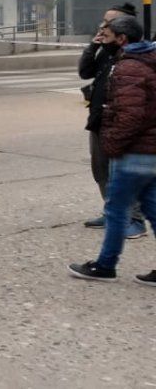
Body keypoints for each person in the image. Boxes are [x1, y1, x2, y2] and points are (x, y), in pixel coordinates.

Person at [68, 15, 156, 285]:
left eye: (107, 32)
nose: (102, 34)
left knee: (116, 211)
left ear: (122, 39)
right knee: (153, 210)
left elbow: (130, 115)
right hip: (150, 151)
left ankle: (105, 266)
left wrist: (112, 144)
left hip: (134, 153)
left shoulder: (130, 67)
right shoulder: (148, 59)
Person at [78, 2, 145, 238]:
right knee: (101, 171)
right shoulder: (106, 52)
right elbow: (85, 72)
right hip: (99, 119)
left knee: (124, 173)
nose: (103, 26)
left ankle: (135, 220)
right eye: (103, 21)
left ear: (123, 31)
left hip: (120, 124)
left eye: (109, 23)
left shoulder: (134, 56)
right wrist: (92, 45)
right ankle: (112, 213)